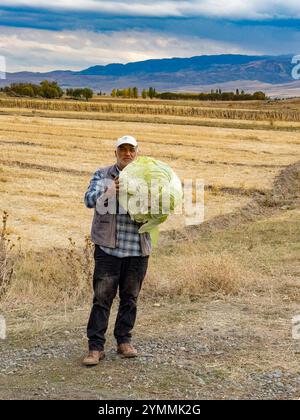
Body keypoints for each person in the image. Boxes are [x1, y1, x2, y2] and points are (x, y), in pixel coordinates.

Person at [82, 135, 152, 366]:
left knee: (130, 298)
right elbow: (89, 200)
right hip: (108, 249)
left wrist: (153, 203)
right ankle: (95, 348)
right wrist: (110, 190)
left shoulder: (147, 178)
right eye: (122, 149)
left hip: (136, 249)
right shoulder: (102, 175)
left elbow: (162, 207)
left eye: (131, 150)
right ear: (116, 153)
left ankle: (124, 341)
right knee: (102, 298)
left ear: (137, 153)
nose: (127, 154)